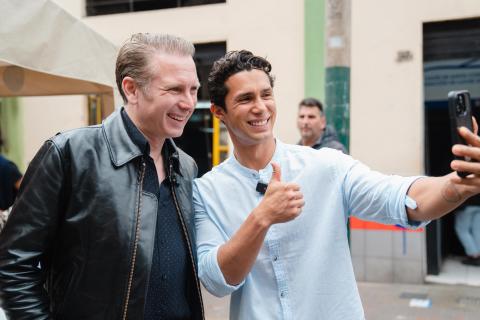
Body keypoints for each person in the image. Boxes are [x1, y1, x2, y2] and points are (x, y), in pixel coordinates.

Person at [193, 50, 480, 320]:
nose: (260, 107)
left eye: (266, 94)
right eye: (245, 99)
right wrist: (261, 218)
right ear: (219, 112)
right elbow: (216, 281)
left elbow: (400, 197)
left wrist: (454, 187)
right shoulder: (206, 191)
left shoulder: (326, 166)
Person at [0, 33, 204, 319]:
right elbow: (13, 265)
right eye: (174, 89)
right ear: (131, 89)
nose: (188, 102)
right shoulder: (69, 154)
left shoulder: (186, 166)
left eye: (193, 89)